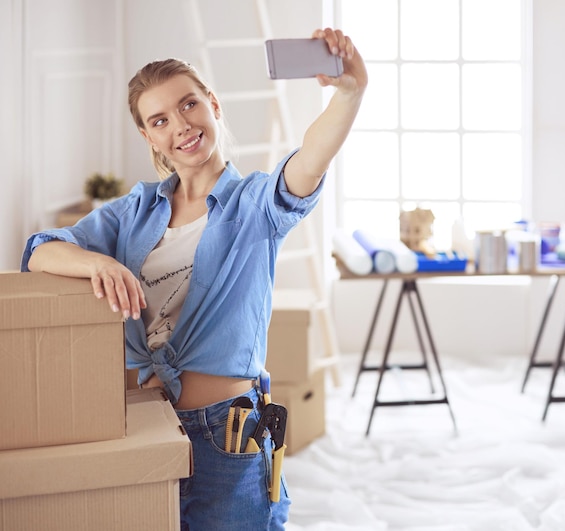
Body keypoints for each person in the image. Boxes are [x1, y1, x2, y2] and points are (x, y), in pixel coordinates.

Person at [21, 27, 367, 530]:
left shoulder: (255, 204)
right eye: (159, 120)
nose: (180, 126)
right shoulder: (133, 211)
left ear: (213, 104)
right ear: (147, 135)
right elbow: (39, 251)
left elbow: (309, 161)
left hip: (225, 434)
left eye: (188, 106)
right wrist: (99, 262)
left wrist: (350, 92)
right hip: (141, 424)